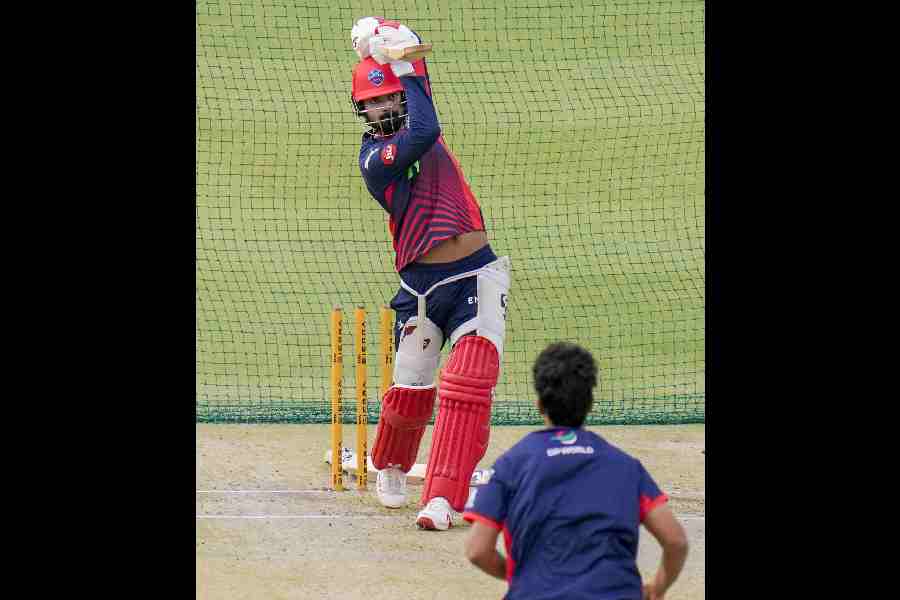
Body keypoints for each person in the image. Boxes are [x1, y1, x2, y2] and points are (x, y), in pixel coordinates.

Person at [349, 17, 512, 531]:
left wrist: (391, 36)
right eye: (370, 103)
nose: (378, 108)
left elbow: (419, 83)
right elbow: (425, 128)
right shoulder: (376, 158)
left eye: (386, 98)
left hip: (478, 275)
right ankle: (391, 464)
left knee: (469, 380)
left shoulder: (417, 107)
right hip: (421, 289)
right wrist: (399, 64)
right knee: (414, 389)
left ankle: (442, 497)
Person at [462, 342, 689, 599]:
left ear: (539, 404)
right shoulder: (626, 466)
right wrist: (657, 588)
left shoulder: (510, 465)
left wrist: (523, 577)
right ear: (590, 404)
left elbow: (477, 550)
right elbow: (675, 541)